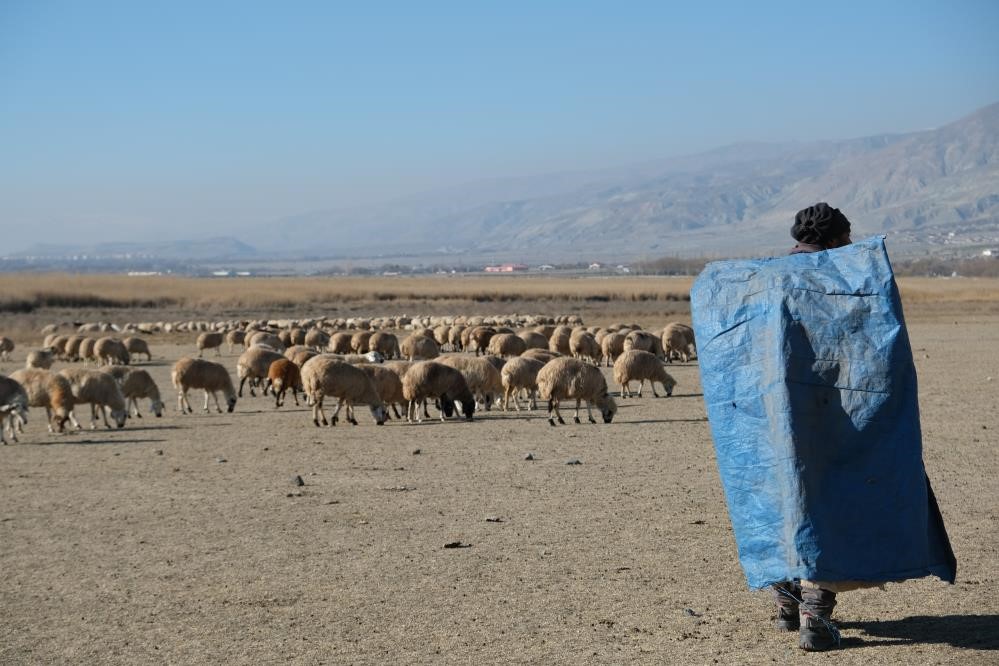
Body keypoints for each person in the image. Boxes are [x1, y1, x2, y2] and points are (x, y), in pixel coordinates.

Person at [772, 202, 854, 651]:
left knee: (781, 501)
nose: (850, 245)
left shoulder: (767, 277)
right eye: (846, 237)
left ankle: (786, 605)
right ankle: (814, 619)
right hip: (824, 408)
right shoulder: (835, 277)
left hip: (768, 412)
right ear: (834, 239)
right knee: (825, 505)